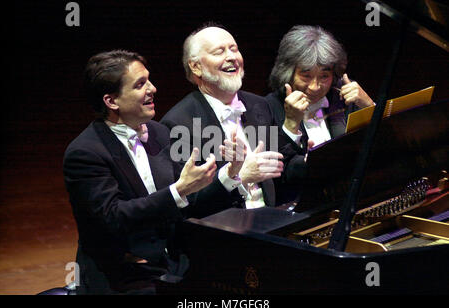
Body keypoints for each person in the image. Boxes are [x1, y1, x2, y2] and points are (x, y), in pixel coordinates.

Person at [63, 50, 243, 294]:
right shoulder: (85, 153)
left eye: (148, 79)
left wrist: (230, 174)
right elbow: (113, 218)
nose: (153, 88)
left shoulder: (160, 133)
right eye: (140, 84)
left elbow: (190, 204)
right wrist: (179, 190)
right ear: (111, 101)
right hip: (122, 274)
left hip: (172, 263)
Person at [161, 23, 302, 209]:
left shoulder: (259, 105)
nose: (232, 57)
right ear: (196, 67)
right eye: (219, 52)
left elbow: (281, 167)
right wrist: (239, 176)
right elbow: (188, 202)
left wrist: (306, 149)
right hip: (223, 232)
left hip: (272, 220)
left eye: (234, 49)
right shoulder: (178, 123)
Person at [265, 25, 375, 203]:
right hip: (302, 207)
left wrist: (368, 105)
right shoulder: (269, 107)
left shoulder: (344, 97)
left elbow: (385, 145)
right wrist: (292, 124)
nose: (315, 87)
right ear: (288, 72)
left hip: (353, 197)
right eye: (306, 76)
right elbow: (279, 178)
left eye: (324, 76)